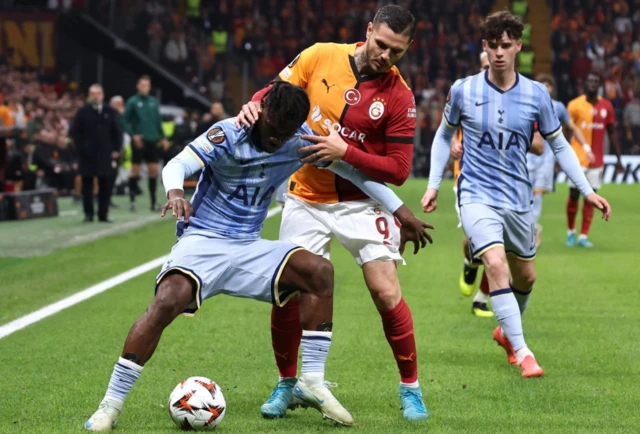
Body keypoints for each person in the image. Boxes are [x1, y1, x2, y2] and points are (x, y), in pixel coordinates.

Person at [84, 82, 432, 431]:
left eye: (285, 134)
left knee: (319, 272)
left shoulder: (300, 140)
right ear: (262, 112)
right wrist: (176, 193)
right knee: (167, 300)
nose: (277, 141)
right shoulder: (228, 133)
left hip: (249, 245)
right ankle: (110, 406)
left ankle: (311, 381)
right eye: (274, 131)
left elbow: (355, 175)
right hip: (204, 239)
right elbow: (177, 164)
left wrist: (402, 213)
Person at [236, 5, 429, 420]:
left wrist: (348, 152)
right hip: (305, 195)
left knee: (385, 290)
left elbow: (398, 169)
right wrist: (253, 104)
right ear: (369, 31)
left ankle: (411, 388)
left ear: (407, 48)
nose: (386, 56)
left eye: (397, 51)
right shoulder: (320, 54)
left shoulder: (400, 97)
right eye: (381, 45)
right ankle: (288, 383)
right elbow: (274, 91)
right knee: (287, 290)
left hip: (361, 202)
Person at [421, 11, 611, 378]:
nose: (499, 53)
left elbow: (559, 146)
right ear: (484, 47)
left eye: (506, 46)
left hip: (518, 198)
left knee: (527, 276)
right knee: (496, 266)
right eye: (492, 46)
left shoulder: (537, 95)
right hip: (476, 193)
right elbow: (444, 136)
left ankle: (506, 333)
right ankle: (525, 353)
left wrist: (586, 190)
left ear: (518, 47)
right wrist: (433, 184)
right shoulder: (464, 89)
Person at [529, 74, 590, 247]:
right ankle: (530, 228)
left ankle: (531, 230)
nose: (544, 87)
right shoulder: (525, 104)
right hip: (524, 157)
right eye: (541, 84)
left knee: (538, 194)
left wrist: (585, 147)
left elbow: (572, 128)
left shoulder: (558, 107)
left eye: (547, 85)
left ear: (552, 89)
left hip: (546, 159)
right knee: (522, 197)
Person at [565, 71, 623, 248]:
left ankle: (583, 235)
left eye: (595, 81)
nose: (592, 83)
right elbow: (567, 132)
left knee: (592, 197)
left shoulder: (607, 106)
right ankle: (571, 231)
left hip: (597, 160)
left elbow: (612, 133)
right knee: (574, 195)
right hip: (577, 159)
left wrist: (619, 159)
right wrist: (561, 158)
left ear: (599, 85)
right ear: (585, 83)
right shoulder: (574, 105)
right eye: (589, 80)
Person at [69, 84, 122, 223]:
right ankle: (88, 214)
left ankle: (103, 214)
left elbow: (117, 131)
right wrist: (81, 150)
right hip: (87, 155)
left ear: (102, 94)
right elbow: (75, 133)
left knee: (106, 185)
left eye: (98, 93)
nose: (95, 96)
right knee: (87, 185)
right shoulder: (82, 112)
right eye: (93, 93)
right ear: (89, 95)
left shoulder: (110, 111)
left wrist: (116, 149)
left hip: (106, 154)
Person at [122, 75, 169, 212]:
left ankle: (153, 202)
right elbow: (124, 120)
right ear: (138, 86)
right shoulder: (132, 102)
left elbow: (158, 121)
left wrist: (163, 137)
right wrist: (133, 135)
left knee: (153, 171)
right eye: (142, 85)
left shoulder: (153, 102)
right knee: (135, 170)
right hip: (139, 141)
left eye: (146, 85)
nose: (144, 88)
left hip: (152, 140)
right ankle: (132, 201)